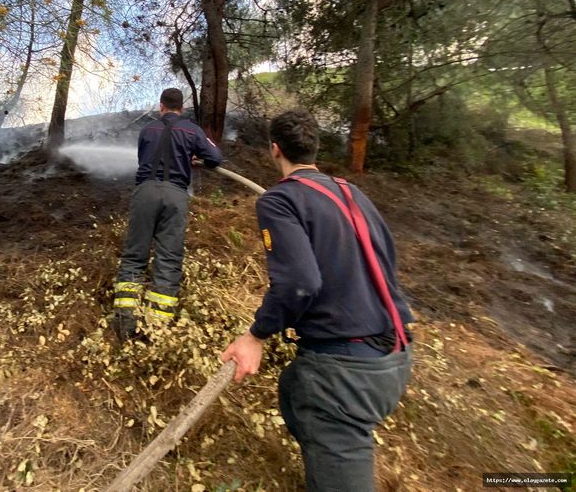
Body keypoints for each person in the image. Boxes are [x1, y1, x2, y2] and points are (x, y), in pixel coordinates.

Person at [220, 109, 414, 492]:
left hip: (346, 372)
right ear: (314, 147)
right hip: (396, 353)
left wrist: (255, 335)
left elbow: (299, 283)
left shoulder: (279, 200)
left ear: (274, 149)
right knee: (294, 392)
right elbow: (387, 258)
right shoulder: (352, 193)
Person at [113, 88, 223, 341]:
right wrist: (191, 156)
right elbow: (215, 158)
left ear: (161, 106)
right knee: (169, 258)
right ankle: (157, 328)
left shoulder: (147, 130)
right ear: (181, 108)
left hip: (145, 193)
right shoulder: (191, 130)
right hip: (175, 196)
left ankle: (124, 324)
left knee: (134, 256)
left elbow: (145, 158)